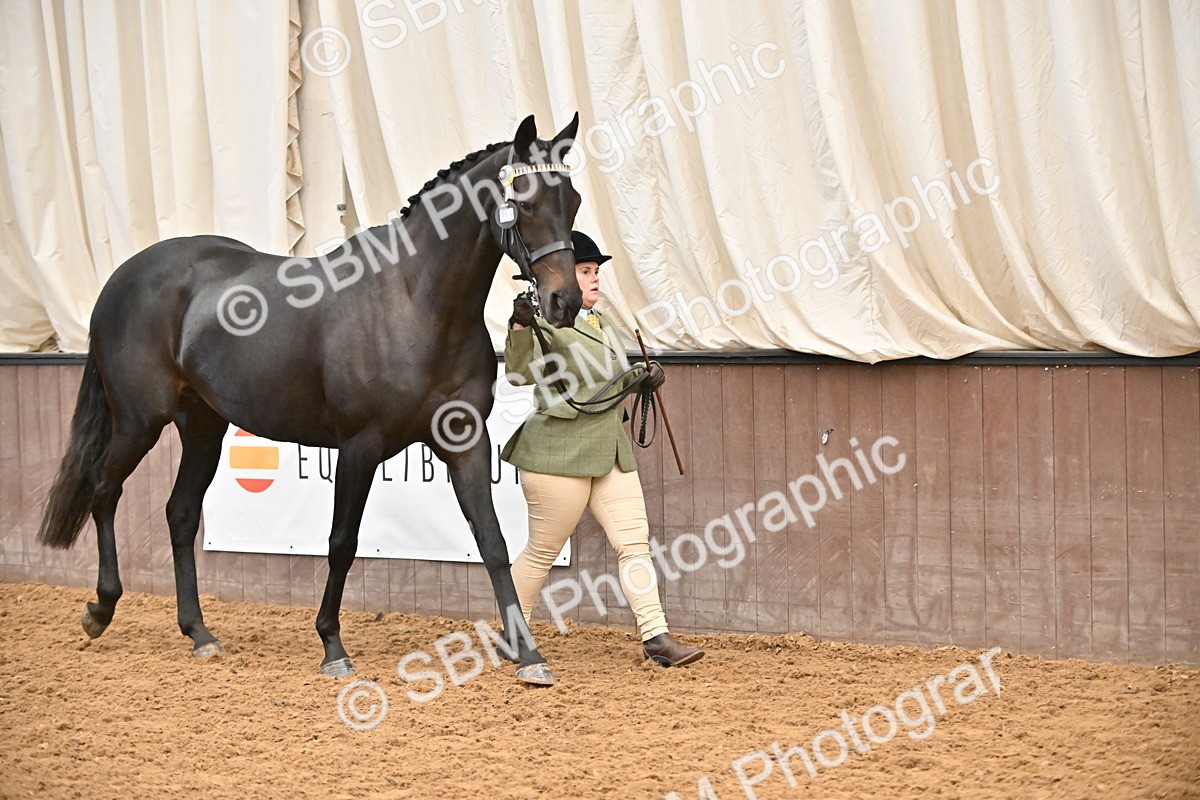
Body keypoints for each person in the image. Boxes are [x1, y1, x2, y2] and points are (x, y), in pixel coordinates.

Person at [501, 230, 703, 684]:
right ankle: (513, 630)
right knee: (542, 554)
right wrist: (517, 327)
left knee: (634, 545)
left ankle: (656, 637)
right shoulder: (543, 321)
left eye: (596, 273)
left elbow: (607, 378)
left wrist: (641, 377)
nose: (595, 281)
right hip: (558, 454)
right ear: (561, 279)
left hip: (610, 450)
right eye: (586, 272)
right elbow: (517, 374)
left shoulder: (602, 322)